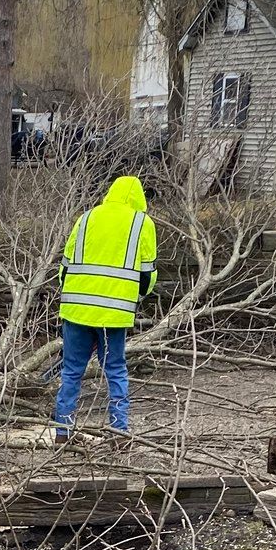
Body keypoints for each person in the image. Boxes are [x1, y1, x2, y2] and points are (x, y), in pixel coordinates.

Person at [52, 174, 157, 443]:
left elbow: (65, 265)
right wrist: (137, 295)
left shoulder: (86, 217)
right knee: (115, 370)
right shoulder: (141, 223)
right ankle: (119, 432)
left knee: (71, 370)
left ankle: (63, 431)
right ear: (139, 198)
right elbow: (148, 274)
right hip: (114, 312)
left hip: (76, 309)